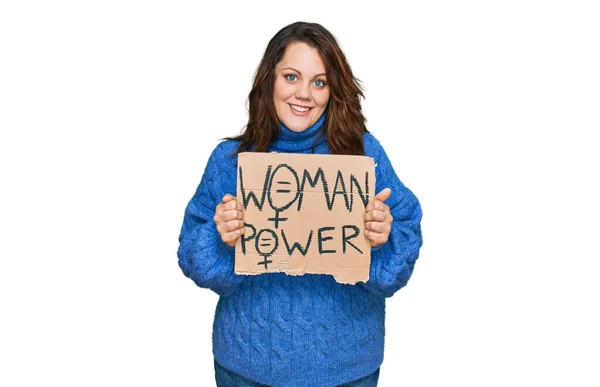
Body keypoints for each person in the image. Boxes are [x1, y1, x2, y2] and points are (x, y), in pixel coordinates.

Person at [177, 21, 423, 387]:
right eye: (291, 77)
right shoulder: (229, 161)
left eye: (319, 82)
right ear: (270, 80)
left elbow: (402, 246)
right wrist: (219, 237)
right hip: (247, 370)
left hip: (347, 370)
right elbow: (192, 258)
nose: (304, 93)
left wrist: (383, 236)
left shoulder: (363, 155)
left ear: (332, 90)